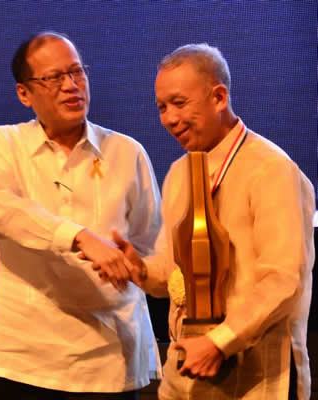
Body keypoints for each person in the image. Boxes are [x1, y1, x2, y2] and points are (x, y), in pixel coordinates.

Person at [93, 44, 316, 399]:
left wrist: (219, 342)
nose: (168, 118)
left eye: (179, 103)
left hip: (257, 378)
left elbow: (284, 280)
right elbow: (173, 274)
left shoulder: (271, 169)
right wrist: (140, 270)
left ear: (218, 97)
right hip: (186, 375)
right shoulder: (180, 172)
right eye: (162, 107)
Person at [0, 31, 162, 399]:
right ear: (24, 93)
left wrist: (137, 267)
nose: (71, 86)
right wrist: (81, 238)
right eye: (54, 78)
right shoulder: (2, 143)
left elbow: (151, 244)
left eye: (77, 72)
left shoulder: (126, 152)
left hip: (112, 360)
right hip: (29, 361)